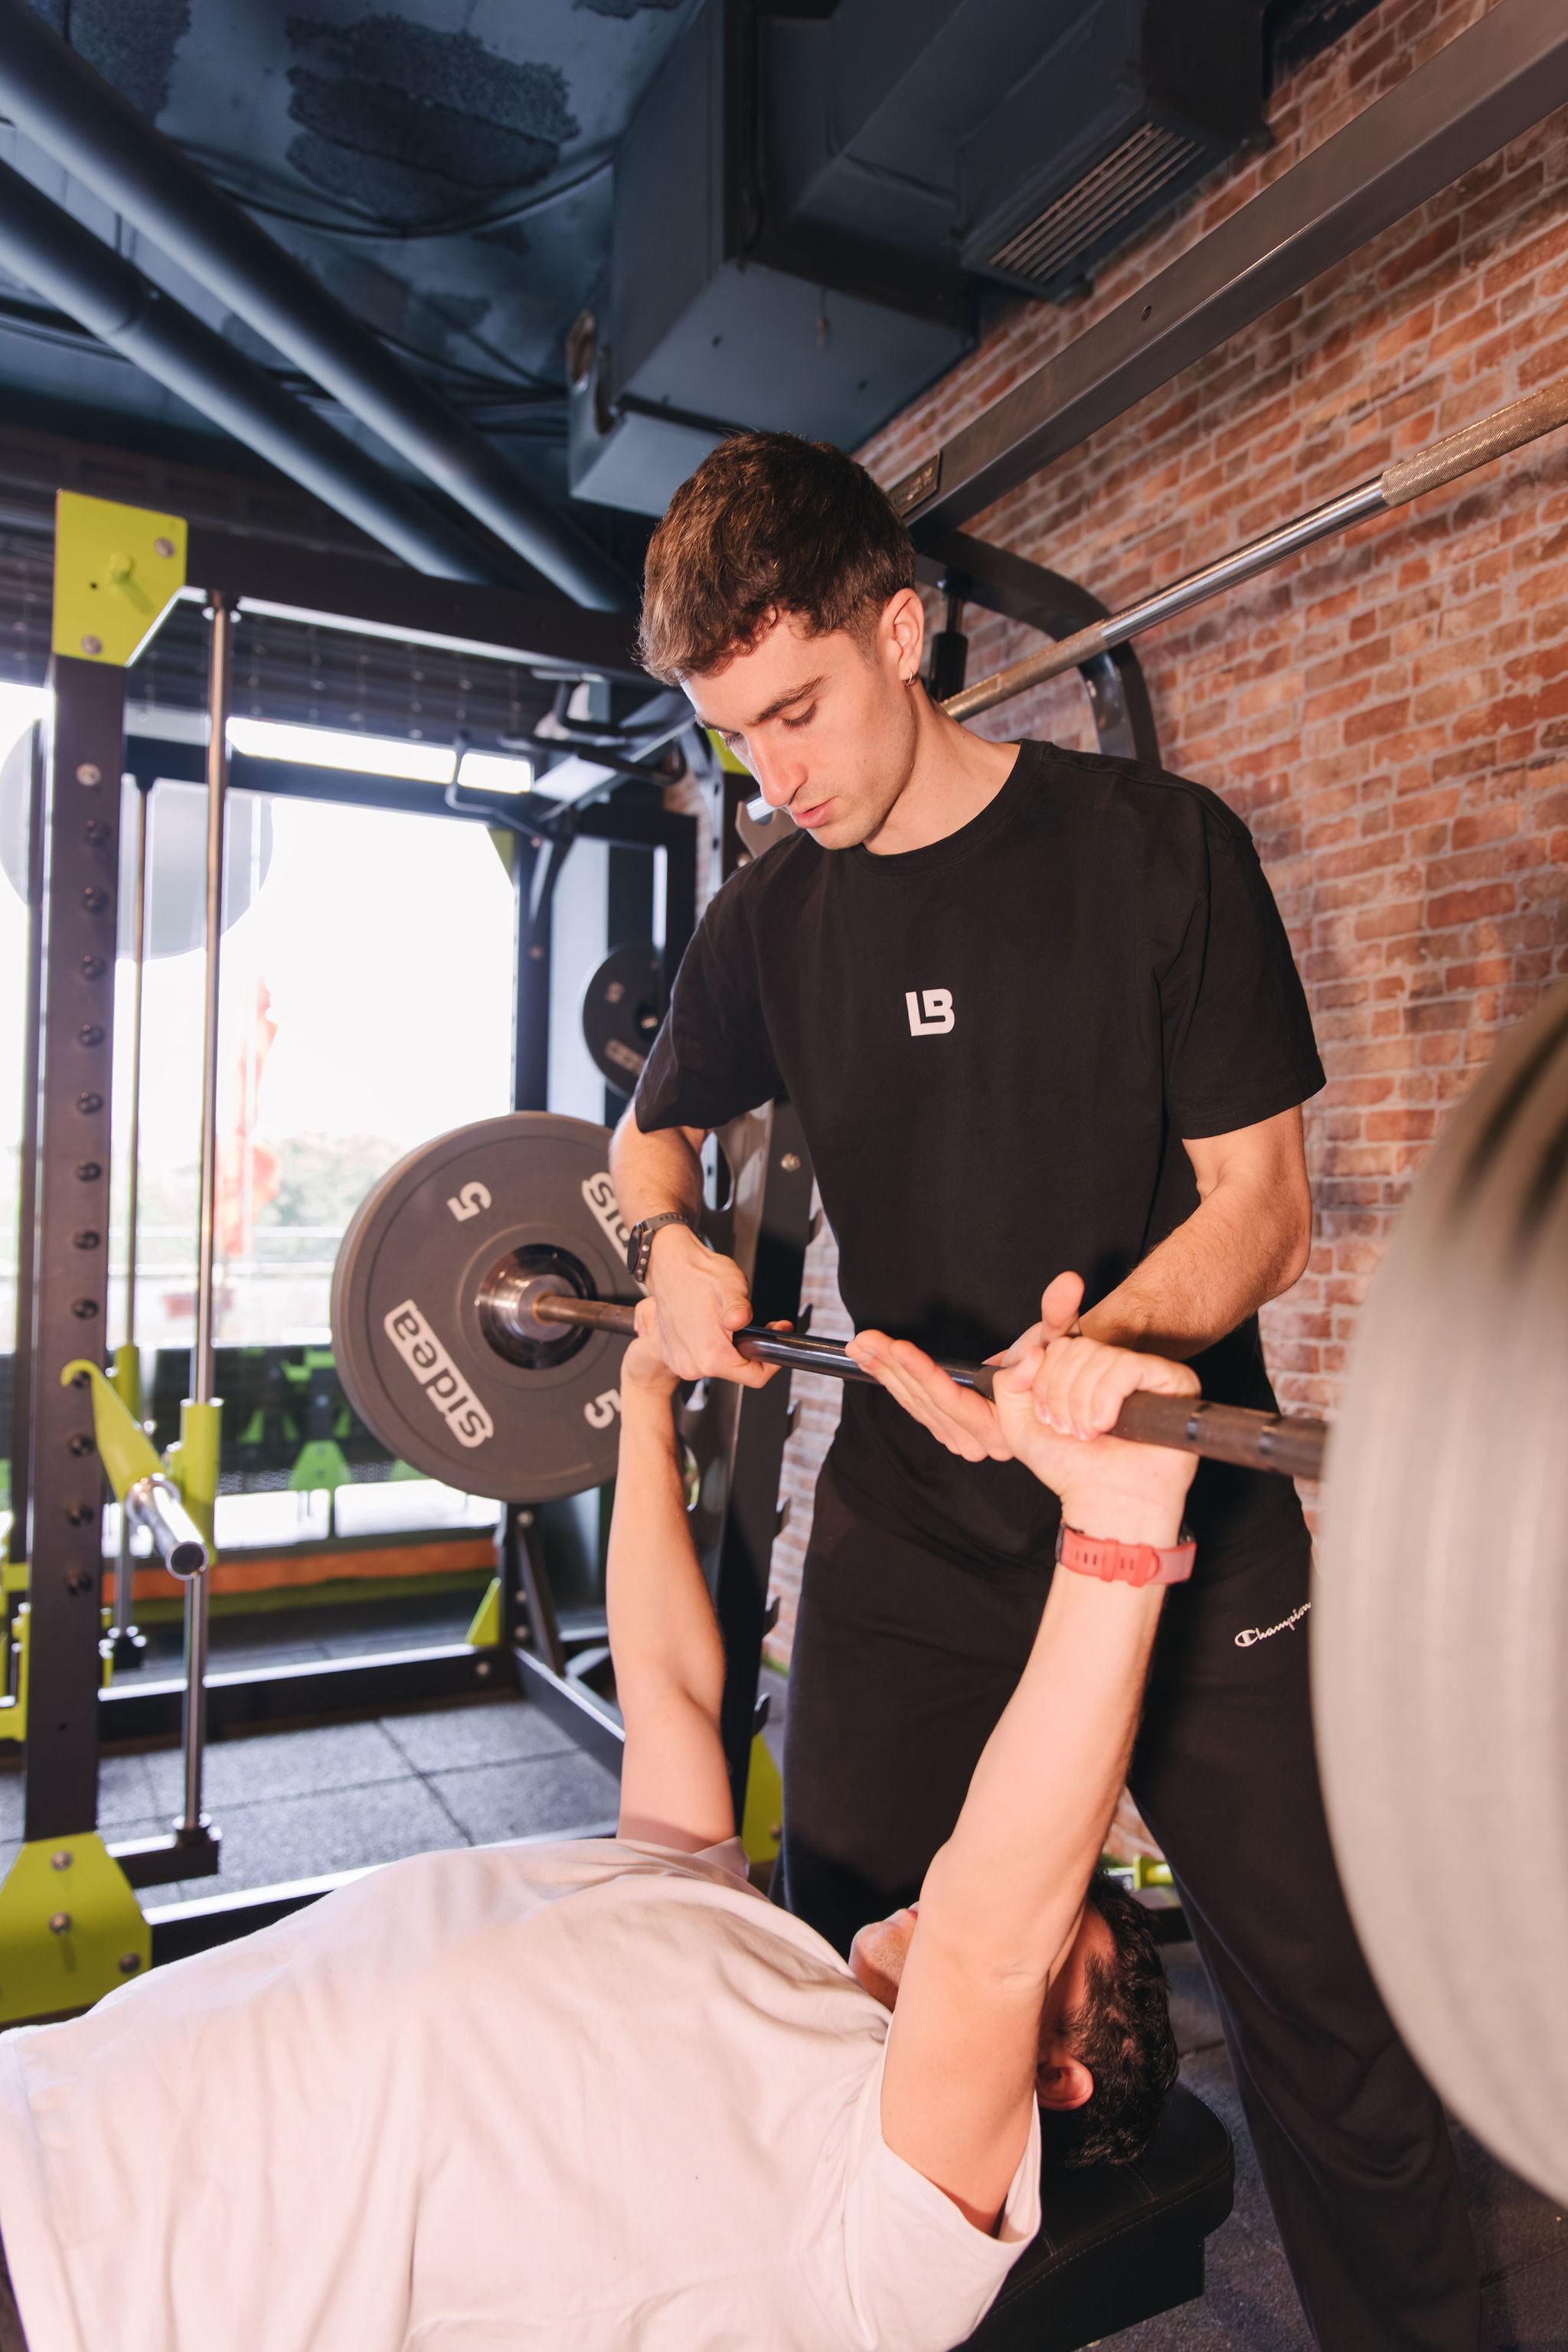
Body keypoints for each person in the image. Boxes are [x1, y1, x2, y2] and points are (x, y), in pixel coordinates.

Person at [612, 430, 1481, 2352]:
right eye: (739, 737)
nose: (783, 776)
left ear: (902, 630)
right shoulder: (774, 911)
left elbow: (1264, 1211)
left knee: (1329, 2024)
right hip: (920, 1525)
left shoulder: (1158, 853)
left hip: (1177, 1504)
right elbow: (648, 1136)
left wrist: (1121, 1342)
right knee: (840, 1977)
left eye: (803, 712)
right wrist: (669, 1241)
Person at [0, 1300, 1187, 2352]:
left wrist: (1120, 1532)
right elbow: (670, 1688)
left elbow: (990, 1940)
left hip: (102, 2296)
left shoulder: (890, 2242)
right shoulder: (755, 1940)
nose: (945, 1895)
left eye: (1052, 1948)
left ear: (1052, 2078)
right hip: (49, 2103)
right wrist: (643, 1399)